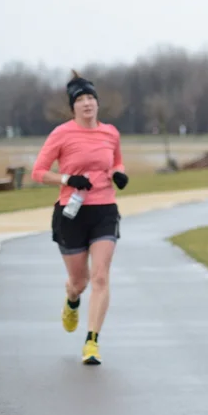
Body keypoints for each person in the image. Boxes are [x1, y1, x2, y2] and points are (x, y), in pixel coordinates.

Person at [31, 70, 129, 366]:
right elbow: (38, 172)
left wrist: (118, 173)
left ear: (98, 104)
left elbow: (116, 160)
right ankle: (71, 300)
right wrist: (68, 179)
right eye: (81, 100)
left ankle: (91, 343)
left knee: (100, 276)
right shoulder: (61, 134)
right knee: (80, 281)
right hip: (71, 212)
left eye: (91, 99)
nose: (87, 104)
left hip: (104, 210)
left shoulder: (110, 133)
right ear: (73, 106)